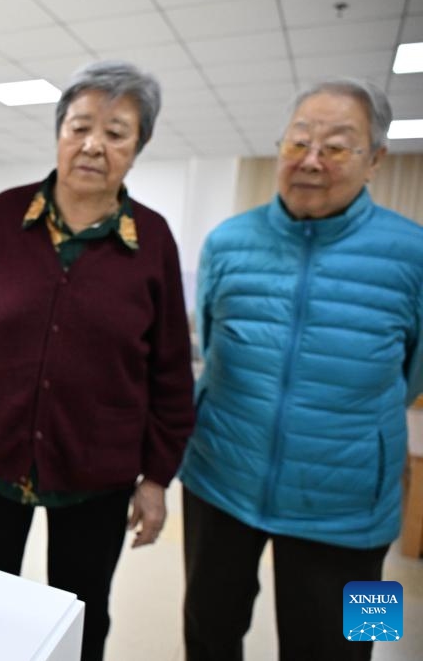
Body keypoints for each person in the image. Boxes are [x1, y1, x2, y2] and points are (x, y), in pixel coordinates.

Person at [0, 60, 195, 661]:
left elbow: (169, 371)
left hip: (96, 475)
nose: (93, 145)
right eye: (80, 127)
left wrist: (157, 479)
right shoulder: (0, 218)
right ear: (59, 132)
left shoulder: (153, 241)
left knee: (82, 618)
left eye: (116, 133)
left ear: (138, 147)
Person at [180, 79, 423, 661]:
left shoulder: (414, 253)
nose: (311, 160)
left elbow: (413, 376)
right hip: (220, 479)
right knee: (208, 632)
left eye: (336, 146)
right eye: (298, 142)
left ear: (375, 159)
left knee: (352, 645)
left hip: (353, 504)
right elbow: (212, 345)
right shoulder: (227, 242)